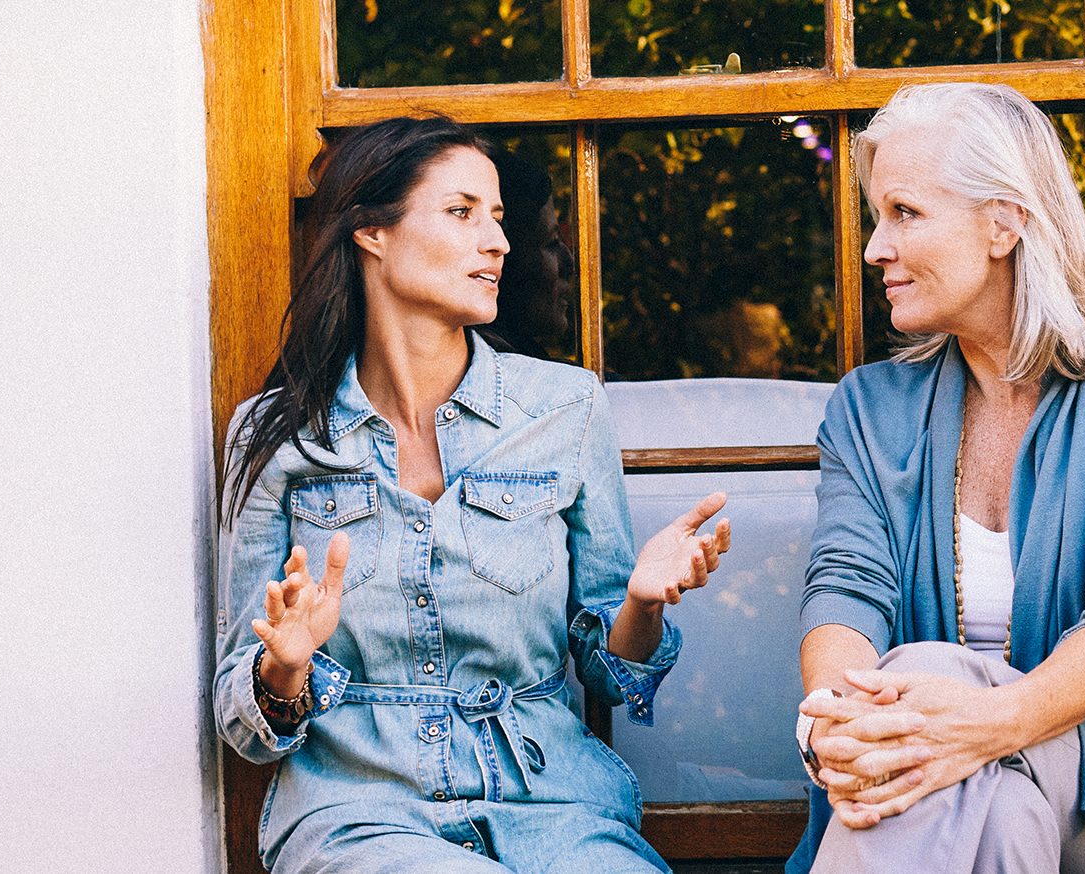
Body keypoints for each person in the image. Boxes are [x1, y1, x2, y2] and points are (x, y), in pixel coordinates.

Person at [213, 115, 729, 874]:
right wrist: (283, 667)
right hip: (361, 815)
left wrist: (642, 606)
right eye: (462, 212)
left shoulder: (566, 407)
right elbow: (242, 715)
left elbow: (611, 674)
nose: (498, 241)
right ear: (372, 233)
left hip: (554, 808)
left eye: (498, 218)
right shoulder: (277, 433)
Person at [789, 84, 1085, 874]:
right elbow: (844, 585)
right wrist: (834, 721)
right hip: (930, 786)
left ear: (1003, 223)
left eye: (903, 212)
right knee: (992, 804)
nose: (875, 247)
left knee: (927, 677)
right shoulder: (870, 409)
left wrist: (987, 723)